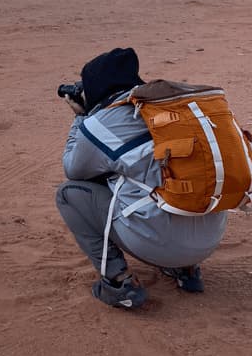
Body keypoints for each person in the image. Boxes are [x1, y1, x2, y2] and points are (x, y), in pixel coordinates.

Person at [55, 47, 228, 309]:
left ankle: (118, 282)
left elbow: (73, 169)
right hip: (210, 237)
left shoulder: (101, 122)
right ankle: (187, 271)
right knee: (169, 177)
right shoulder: (170, 108)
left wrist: (80, 118)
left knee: (70, 194)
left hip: (161, 245)